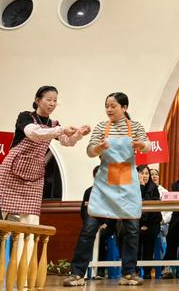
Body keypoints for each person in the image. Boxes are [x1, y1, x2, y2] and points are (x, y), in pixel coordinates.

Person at [65, 92, 151, 287]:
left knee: (131, 230)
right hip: (104, 183)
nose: (109, 109)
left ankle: (129, 273)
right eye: (107, 106)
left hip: (127, 183)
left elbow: (147, 147)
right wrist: (98, 149)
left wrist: (141, 144)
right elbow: (89, 151)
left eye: (113, 106)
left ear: (124, 108)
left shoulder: (135, 126)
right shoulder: (102, 127)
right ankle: (77, 273)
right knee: (89, 229)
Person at [0, 86, 90, 224]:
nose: (52, 104)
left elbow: (67, 142)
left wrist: (79, 134)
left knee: (31, 220)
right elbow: (34, 133)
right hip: (11, 173)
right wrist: (61, 129)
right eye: (49, 100)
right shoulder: (25, 117)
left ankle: (28, 246)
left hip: (34, 176)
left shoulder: (53, 124)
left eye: (55, 100)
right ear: (38, 100)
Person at [80, 166, 117, 280]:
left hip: (108, 225)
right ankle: (84, 271)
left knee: (101, 237)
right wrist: (89, 222)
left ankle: (99, 271)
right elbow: (83, 210)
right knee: (86, 235)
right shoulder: (88, 191)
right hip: (92, 222)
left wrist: (106, 224)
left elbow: (113, 210)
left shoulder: (111, 191)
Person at [136, 165, 162, 279]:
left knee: (149, 238)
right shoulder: (132, 187)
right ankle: (134, 270)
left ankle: (147, 270)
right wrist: (140, 186)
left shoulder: (153, 188)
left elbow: (155, 210)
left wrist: (146, 224)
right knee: (133, 236)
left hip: (152, 223)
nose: (144, 176)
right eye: (142, 173)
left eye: (147, 174)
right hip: (136, 223)